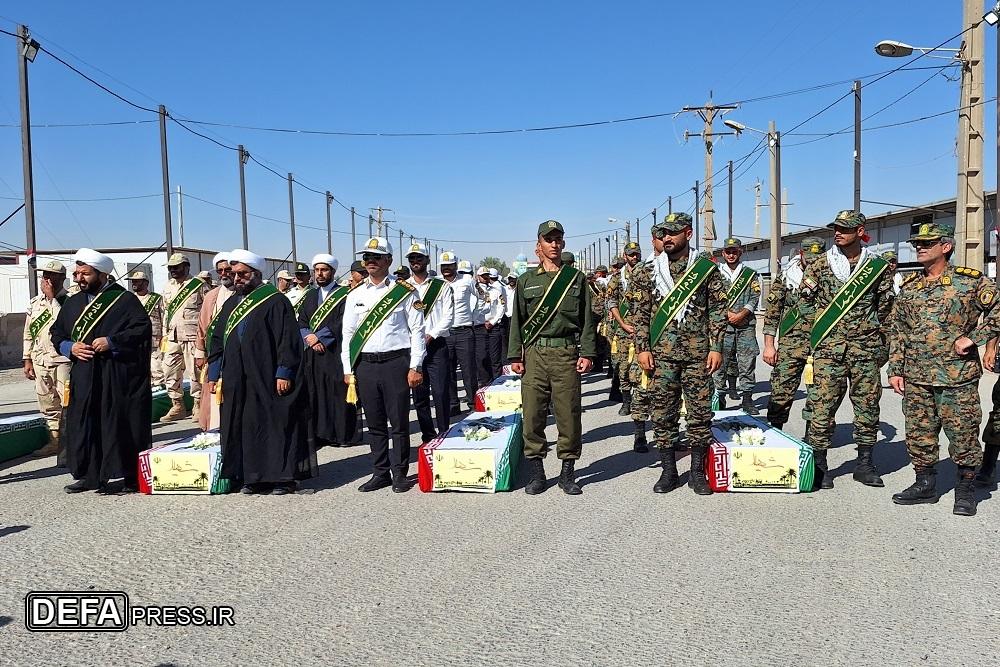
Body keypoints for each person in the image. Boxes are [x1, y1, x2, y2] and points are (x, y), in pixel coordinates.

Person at [889, 223, 999, 516]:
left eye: (927, 243)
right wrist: (895, 369)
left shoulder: (970, 282)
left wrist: (974, 338)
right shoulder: (910, 286)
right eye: (917, 244)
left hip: (956, 376)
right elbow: (898, 329)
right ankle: (924, 484)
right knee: (919, 433)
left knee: (963, 433)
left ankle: (965, 490)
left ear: (946, 246)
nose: (920, 248)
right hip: (916, 376)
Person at [799, 210, 895, 490]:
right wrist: (814, 337)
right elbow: (805, 304)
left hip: (865, 350)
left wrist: (881, 346)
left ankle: (864, 464)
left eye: (845, 228)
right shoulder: (819, 265)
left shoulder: (876, 267)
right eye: (836, 228)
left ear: (860, 230)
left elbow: (887, 309)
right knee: (821, 407)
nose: (838, 233)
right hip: (829, 351)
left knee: (867, 407)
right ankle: (819, 465)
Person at [631, 213, 726, 495]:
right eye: (663, 233)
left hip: (698, 355)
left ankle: (697, 471)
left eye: (673, 233)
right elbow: (641, 315)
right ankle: (669, 471)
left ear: (688, 233)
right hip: (661, 356)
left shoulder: (706, 269)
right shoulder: (646, 272)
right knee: (663, 413)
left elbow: (718, 310)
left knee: (699, 413)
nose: (667, 238)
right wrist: (642, 349)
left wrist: (716, 346)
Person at [206, 249, 313, 495]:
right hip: (236, 377)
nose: (237, 278)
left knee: (274, 424)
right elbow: (217, 340)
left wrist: (284, 372)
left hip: (267, 375)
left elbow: (288, 340)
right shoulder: (231, 303)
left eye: (242, 273)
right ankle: (251, 477)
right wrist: (214, 374)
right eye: (234, 274)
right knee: (243, 425)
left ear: (255, 274)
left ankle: (281, 478)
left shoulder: (275, 301)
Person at [50, 248, 152, 493]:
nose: (78, 278)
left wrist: (112, 342)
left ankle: (128, 476)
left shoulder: (124, 300)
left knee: (120, 422)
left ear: (102, 274)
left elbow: (142, 331)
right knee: (86, 422)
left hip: (116, 375)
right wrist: (70, 347)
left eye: (85, 273)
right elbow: (57, 334)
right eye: (77, 274)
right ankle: (90, 475)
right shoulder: (73, 302)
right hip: (85, 374)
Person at [509, 220, 595, 496]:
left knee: (568, 414)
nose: (554, 244)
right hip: (534, 353)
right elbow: (517, 322)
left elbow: (586, 320)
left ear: (563, 244)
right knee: (533, 414)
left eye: (558, 239)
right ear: (539, 246)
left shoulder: (576, 279)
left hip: (566, 353)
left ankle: (567, 473)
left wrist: (589, 352)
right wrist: (515, 354)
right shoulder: (526, 281)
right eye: (549, 240)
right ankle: (537, 473)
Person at [341, 237, 426, 493]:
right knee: (375, 423)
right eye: (367, 257)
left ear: (388, 260)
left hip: (395, 363)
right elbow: (348, 334)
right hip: (365, 365)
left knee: (398, 422)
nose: (370, 262)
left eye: (376, 257)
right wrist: (347, 369)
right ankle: (380, 472)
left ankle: (399, 473)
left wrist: (416, 366)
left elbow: (417, 331)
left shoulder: (405, 292)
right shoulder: (355, 294)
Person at [762, 237, 826, 432]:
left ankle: (812, 440)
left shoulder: (832, 275)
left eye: (817, 259)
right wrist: (769, 345)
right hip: (791, 345)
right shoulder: (787, 276)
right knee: (781, 389)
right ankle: (776, 431)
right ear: (800, 254)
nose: (812, 263)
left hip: (821, 344)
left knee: (818, 394)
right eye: (809, 258)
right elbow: (773, 312)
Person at [296, 253, 358, 448]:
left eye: (324, 270)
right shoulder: (310, 296)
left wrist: (321, 336)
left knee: (337, 393)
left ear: (332, 272)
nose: (320, 274)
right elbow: (301, 321)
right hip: (313, 354)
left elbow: (344, 322)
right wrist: (310, 338)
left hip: (335, 352)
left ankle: (342, 435)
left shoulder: (345, 295)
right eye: (317, 270)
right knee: (316, 393)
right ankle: (320, 434)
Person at [22, 259, 70, 459]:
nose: (47, 279)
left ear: (62, 278)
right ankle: (55, 440)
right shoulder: (35, 303)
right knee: (47, 402)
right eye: (45, 275)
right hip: (40, 359)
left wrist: (53, 298)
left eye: (52, 276)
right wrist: (27, 359)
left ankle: (71, 442)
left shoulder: (70, 300)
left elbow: (66, 323)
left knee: (68, 402)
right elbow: (28, 333)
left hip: (62, 360)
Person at [407, 242, 455, 442]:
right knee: (419, 395)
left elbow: (448, 316)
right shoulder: (403, 288)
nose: (415, 261)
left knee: (441, 391)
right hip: (413, 348)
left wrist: (431, 335)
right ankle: (428, 434)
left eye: (419, 258)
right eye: (412, 258)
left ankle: (444, 431)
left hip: (436, 346)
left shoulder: (441, 286)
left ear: (427, 260)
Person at [605, 241, 650, 452]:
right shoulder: (617, 277)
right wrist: (622, 323)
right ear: (625, 255)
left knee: (641, 372)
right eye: (631, 254)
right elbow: (611, 302)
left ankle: (640, 426)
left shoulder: (647, 272)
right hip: (623, 330)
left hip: (643, 330)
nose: (634, 257)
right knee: (622, 368)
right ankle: (625, 400)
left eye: (637, 254)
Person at [712, 237, 762, 414]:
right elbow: (712, 298)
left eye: (734, 251)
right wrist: (727, 314)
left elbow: (755, 297)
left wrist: (742, 313)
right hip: (722, 325)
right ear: (723, 253)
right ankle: (720, 397)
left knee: (747, 362)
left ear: (740, 252)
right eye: (728, 251)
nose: (731, 255)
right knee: (720, 362)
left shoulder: (750, 273)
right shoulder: (715, 273)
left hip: (745, 325)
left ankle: (747, 399)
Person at [160, 253, 207, 422]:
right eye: (170, 267)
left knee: (195, 372)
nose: (173, 270)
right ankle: (177, 405)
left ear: (186, 267)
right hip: (172, 337)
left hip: (192, 336)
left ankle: (198, 404)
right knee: (169, 370)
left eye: (176, 267)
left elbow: (207, 312)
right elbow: (164, 311)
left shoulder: (198, 285)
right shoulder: (167, 287)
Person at [194, 253, 235, 431]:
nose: (224, 274)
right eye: (221, 271)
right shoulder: (212, 296)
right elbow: (202, 327)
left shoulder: (246, 295)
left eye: (228, 270)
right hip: (215, 356)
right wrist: (200, 353)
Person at [442, 252, 480, 413]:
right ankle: (453, 405)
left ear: (456, 266)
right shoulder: (436, 283)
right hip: (446, 334)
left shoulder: (467, 281)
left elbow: (482, 297)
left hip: (464, 332)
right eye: (443, 266)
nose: (446, 269)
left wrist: (474, 316)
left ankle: (473, 404)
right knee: (448, 371)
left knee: (469, 370)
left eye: (449, 266)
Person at [126, 271, 165, 388]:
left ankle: (159, 387)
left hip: (154, 338)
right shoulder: (129, 299)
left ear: (145, 283)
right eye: (133, 281)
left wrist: (164, 336)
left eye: (137, 281)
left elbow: (164, 318)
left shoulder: (156, 298)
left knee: (156, 367)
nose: (134, 283)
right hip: (135, 339)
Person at [473, 266, 494, 387]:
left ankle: (486, 382)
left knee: (482, 357)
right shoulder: (470, 287)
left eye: (487, 275)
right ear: (477, 277)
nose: (485, 278)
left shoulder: (484, 291)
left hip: (480, 325)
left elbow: (487, 307)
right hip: (470, 327)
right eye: (483, 276)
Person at [485, 267, 506, 378]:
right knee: (482, 357)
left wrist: (493, 322)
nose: (486, 279)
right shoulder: (473, 290)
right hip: (480, 327)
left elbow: (501, 307)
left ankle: (497, 379)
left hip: (494, 326)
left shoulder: (497, 290)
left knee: (495, 356)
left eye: (488, 277)